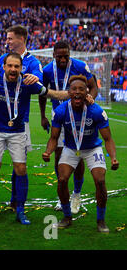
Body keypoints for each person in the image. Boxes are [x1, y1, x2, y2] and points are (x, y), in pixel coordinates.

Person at [0, 53, 69, 225]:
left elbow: (50, 94)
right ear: (3, 66)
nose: (13, 69)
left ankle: (20, 210)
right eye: (10, 66)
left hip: (17, 131)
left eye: (17, 66)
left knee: (21, 169)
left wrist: (74, 94)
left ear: (21, 68)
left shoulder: (28, 82)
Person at [42, 75, 119, 233]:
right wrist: (48, 151)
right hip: (70, 148)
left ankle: (101, 220)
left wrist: (113, 158)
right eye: (74, 89)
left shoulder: (96, 111)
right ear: (69, 92)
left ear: (87, 92)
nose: (77, 92)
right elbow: (54, 138)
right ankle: (67, 216)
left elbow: (108, 138)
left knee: (100, 180)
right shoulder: (61, 111)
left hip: (92, 149)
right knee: (62, 179)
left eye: (81, 89)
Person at [39, 40, 98, 213]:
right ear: (53, 55)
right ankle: (62, 194)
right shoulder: (48, 70)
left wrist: (90, 100)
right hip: (59, 116)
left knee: (78, 154)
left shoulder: (81, 66)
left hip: (80, 115)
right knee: (59, 155)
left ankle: (76, 194)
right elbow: (43, 94)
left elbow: (93, 87)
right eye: (59, 56)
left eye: (66, 56)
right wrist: (43, 116)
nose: (63, 59)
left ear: (70, 54)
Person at [1, 25, 43, 211]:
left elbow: (39, 81)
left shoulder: (33, 62)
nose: (7, 42)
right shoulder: (3, 58)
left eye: (10, 38)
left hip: (21, 121)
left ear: (21, 39)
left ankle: (16, 201)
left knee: (20, 164)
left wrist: (34, 78)